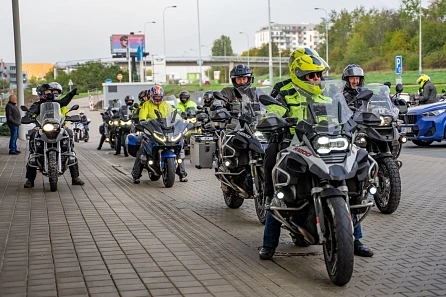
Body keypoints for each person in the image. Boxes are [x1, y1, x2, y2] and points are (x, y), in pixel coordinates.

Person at [259, 48, 373, 260]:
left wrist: (354, 118)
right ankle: (269, 243)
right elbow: (272, 108)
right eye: (312, 75)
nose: (316, 79)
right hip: (292, 142)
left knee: (348, 180)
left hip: (324, 141)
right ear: (299, 75)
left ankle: (355, 239)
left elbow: (342, 110)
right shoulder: (284, 90)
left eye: (319, 75)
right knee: (277, 187)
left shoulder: (329, 91)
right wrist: (274, 118)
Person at [24, 83, 84, 188]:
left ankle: (75, 178)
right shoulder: (37, 104)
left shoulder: (55, 103)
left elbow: (64, 102)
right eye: (47, 92)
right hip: (42, 127)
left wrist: (71, 94)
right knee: (33, 141)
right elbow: (31, 112)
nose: (50, 94)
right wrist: (29, 117)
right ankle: (30, 180)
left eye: (51, 92)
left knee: (69, 142)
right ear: (42, 94)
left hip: (57, 127)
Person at [132, 85, 188, 183]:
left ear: (162, 96)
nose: (157, 99)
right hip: (151, 131)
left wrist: (182, 121)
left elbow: (175, 116)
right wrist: (142, 122)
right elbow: (142, 117)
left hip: (166, 130)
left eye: (159, 97)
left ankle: (182, 174)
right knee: (142, 149)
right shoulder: (146, 105)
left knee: (179, 147)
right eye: (155, 97)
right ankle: (136, 174)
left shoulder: (166, 105)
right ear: (151, 96)